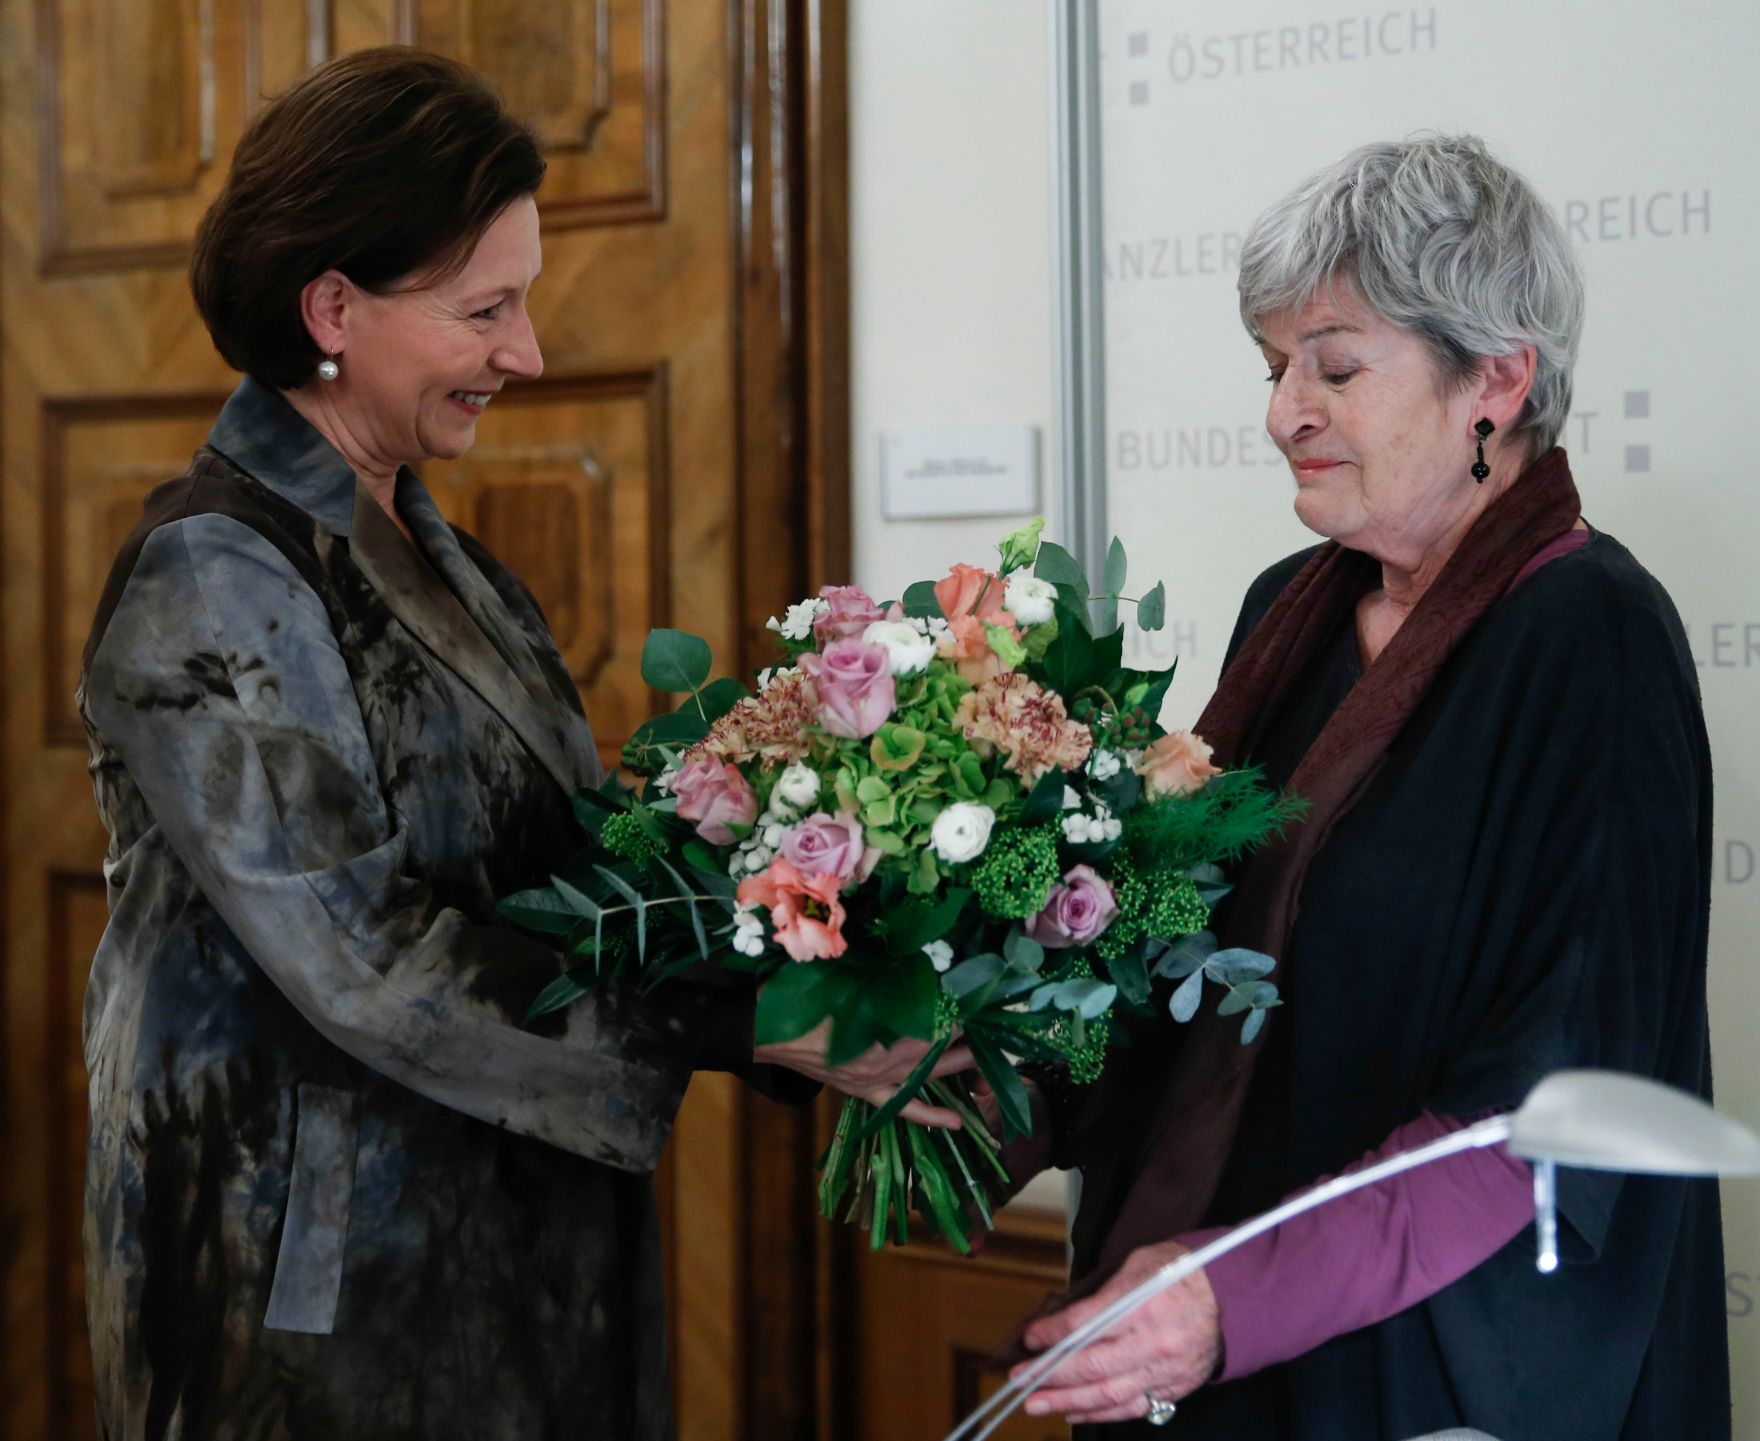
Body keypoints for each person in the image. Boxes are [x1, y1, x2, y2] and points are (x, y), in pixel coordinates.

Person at [78, 47, 963, 1441]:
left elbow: (569, 874)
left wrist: (805, 895)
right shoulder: (213, 570)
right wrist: (753, 1024)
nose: (529, 351)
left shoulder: (456, 561)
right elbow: (371, 961)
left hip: (516, 1261)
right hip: (326, 1305)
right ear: (332, 309)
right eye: (486, 307)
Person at [997, 135, 1728, 1438]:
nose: (1285, 409)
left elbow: (1549, 1109)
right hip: (1223, 1320)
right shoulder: (1290, 610)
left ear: (1496, 380)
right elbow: (1178, 958)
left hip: (1427, 1359)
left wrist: (1238, 1295)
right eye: (1275, 367)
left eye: (1334, 366)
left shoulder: (1594, 638)